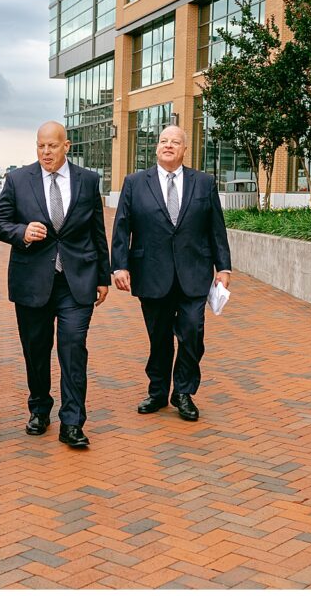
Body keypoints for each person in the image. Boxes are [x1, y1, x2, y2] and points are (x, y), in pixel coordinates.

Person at [0, 121, 110, 448]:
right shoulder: (17, 180)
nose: (45, 152)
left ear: (66, 146)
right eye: (41, 146)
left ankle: (72, 422)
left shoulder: (88, 180)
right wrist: (22, 232)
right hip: (32, 280)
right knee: (36, 351)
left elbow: (97, 232)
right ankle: (40, 407)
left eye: (52, 146)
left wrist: (103, 276)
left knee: (73, 349)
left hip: (77, 281)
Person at [110, 125, 231, 422]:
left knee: (192, 333)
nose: (168, 145)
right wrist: (119, 265)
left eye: (175, 142)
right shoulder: (135, 182)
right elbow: (122, 226)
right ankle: (158, 391)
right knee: (159, 337)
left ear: (184, 149)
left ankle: (183, 392)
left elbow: (216, 228)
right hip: (151, 273)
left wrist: (224, 267)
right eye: (163, 141)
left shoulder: (204, 183)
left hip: (194, 273)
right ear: (156, 147)